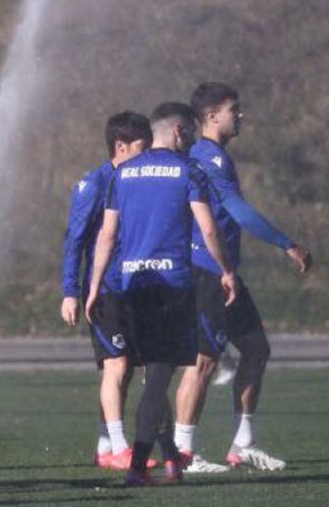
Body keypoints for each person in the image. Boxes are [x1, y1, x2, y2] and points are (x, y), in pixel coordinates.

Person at [86, 101, 235, 486]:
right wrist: (227, 270)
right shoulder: (189, 170)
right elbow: (208, 229)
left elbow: (107, 235)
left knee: (156, 373)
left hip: (132, 284)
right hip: (171, 285)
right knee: (157, 380)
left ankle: (170, 456)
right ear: (182, 133)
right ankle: (138, 467)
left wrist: (94, 286)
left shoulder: (124, 173)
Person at [173, 82, 312, 472]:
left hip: (224, 273)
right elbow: (238, 211)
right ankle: (183, 452)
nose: (241, 115)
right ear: (212, 116)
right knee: (202, 362)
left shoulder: (212, 156)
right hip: (208, 272)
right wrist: (287, 244)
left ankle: (243, 443)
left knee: (255, 349)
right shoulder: (209, 158)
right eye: (235, 109)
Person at [60, 111, 152, 470]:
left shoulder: (138, 181)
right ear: (121, 147)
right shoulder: (95, 183)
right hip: (105, 290)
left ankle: (104, 445)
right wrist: (70, 291)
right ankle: (119, 447)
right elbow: (74, 239)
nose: (146, 156)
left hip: (134, 288)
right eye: (141, 148)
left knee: (125, 369)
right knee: (117, 364)